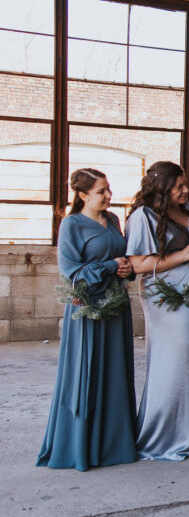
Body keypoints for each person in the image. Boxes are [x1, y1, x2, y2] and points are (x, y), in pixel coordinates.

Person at [37, 168, 138, 471]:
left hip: (116, 306)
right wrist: (109, 266)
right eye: (101, 191)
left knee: (115, 371)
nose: (108, 195)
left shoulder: (114, 221)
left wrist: (126, 270)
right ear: (82, 195)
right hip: (88, 309)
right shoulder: (71, 225)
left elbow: (126, 260)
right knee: (86, 371)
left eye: (108, 189)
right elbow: (71, 271)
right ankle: (80, 447)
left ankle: (114, 446)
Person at [126, 161, 189, 461]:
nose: (186, 190)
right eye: (179, 186)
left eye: (185, 184)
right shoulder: (143, 216)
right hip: (165, 297)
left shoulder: (186, 212)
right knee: (173, 363)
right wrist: (185, 254)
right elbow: (138, 264)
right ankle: (161, 438)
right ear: (163, 188)